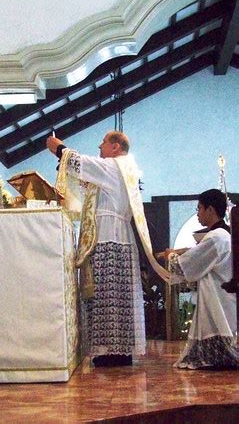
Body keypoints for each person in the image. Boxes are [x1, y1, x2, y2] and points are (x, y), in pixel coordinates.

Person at [46, 131, 168, 367]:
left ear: (115, 147)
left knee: (106, 294)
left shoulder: (115, 166)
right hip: (116, 237)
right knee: (115, 296)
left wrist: (59, 148)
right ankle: (118, 350)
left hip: (108, 237)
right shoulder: (124, 168)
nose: (99, 147)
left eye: (103, 143)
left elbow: (80, 163)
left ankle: (110, 351)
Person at [166, 189, 238, 370]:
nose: (197, 214)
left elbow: (186, 265)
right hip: (222, 295)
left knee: (220, 348)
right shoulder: (224, 235)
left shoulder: (215, 238)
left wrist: (170, 256)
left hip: (218, 297)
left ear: (210, 210)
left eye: (199, 209)